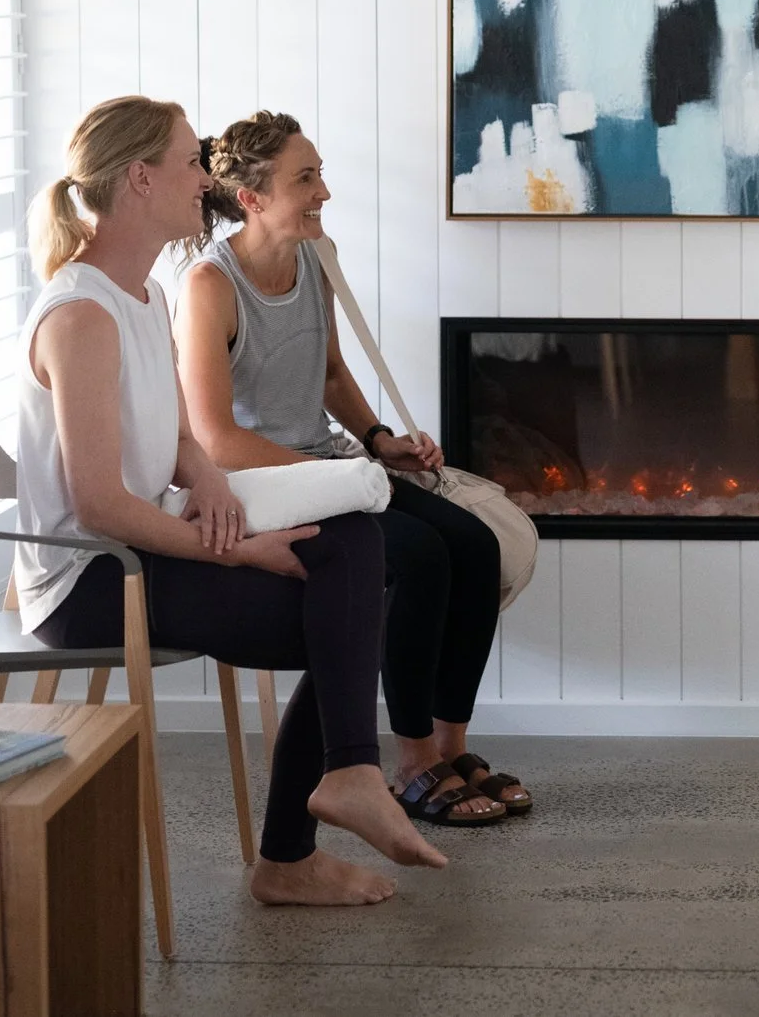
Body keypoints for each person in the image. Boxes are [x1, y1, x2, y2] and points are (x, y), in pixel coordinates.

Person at [15, 95, 447, 905]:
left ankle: (344, 783)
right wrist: (237, 549)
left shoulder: (144, 295)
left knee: (354, 538)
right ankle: (298, 844)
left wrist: (210, 480)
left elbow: (183, 437)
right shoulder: (82, 316)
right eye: (189, 162)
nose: (203, 180)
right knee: (341, 618)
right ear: (140, 179)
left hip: (147, 540)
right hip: (91, 579)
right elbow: (99, 505)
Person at [176, 110, 532, 829]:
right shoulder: (210, 286)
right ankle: (412, 763)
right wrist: (328, 473)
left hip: (330, 466)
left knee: (474, 544)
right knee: (421, 558)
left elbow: (332, 370)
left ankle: (451, 748)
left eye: (321, 175)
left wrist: (376, 438)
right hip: (262, 485)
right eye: (305, 179)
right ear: (251, 198)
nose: (323, 193)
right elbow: (215, 440)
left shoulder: (314, 254)